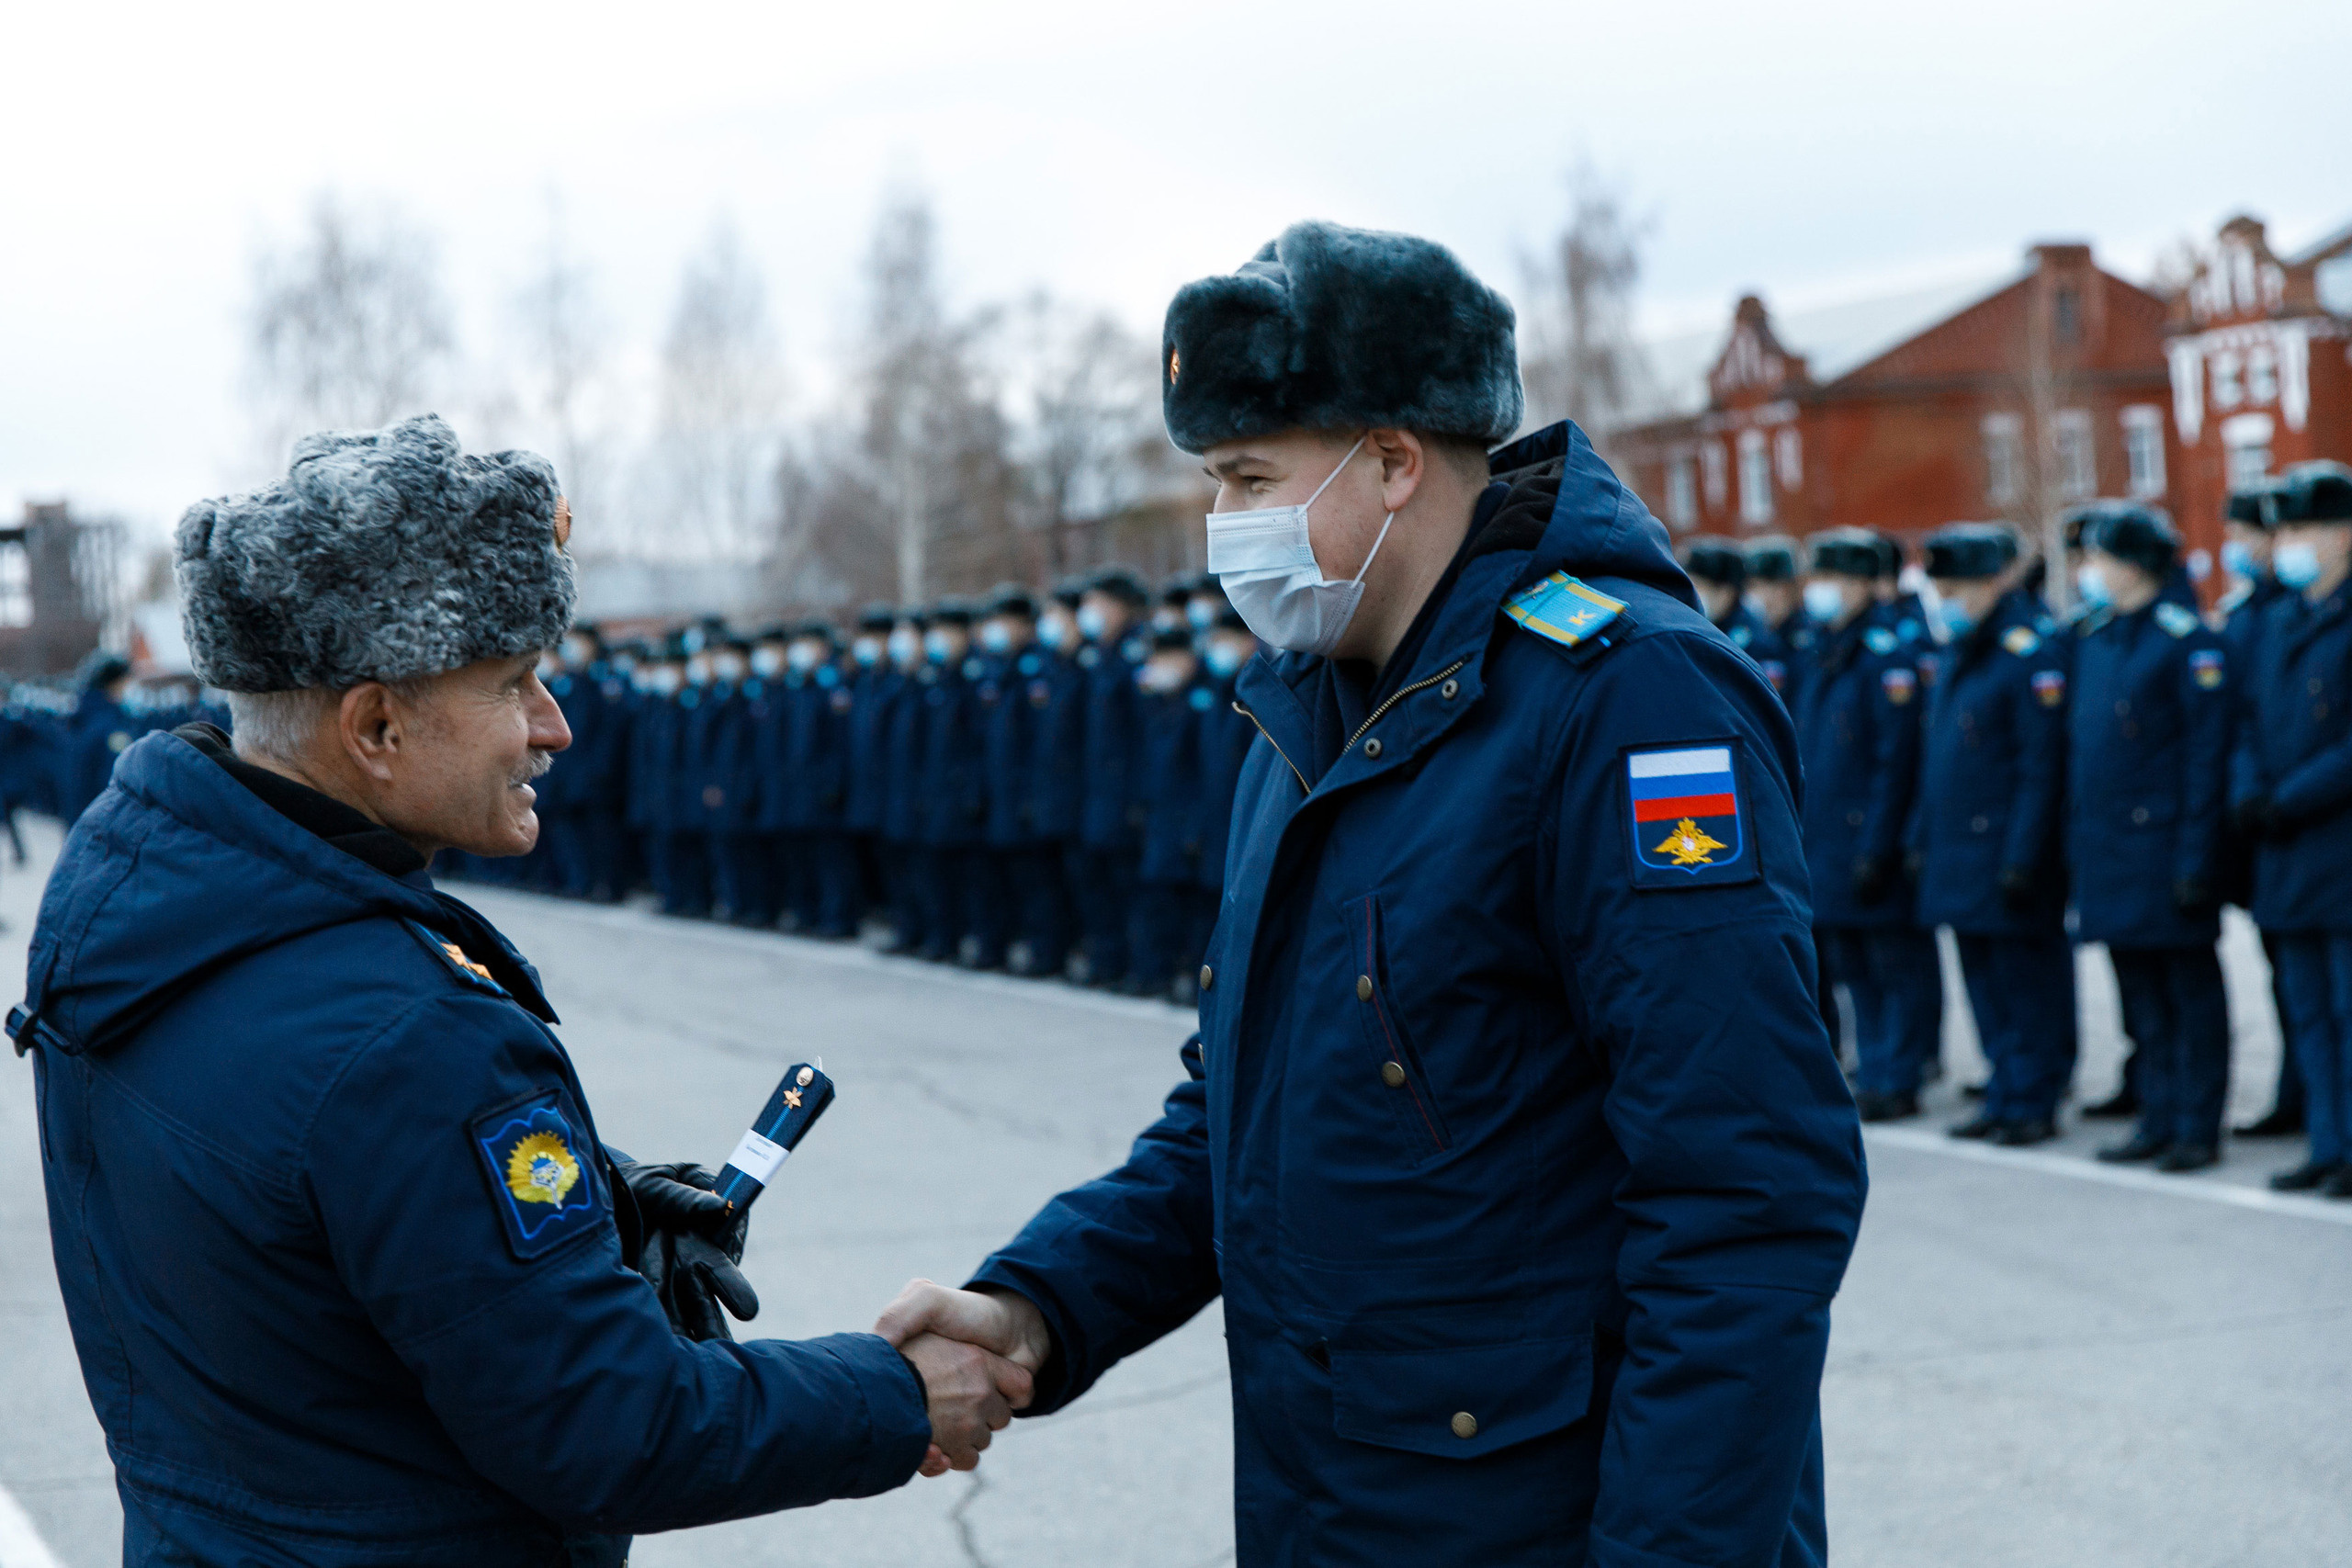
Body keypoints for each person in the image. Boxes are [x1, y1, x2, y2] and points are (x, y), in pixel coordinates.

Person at [875, 221, 1863, 1566]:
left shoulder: (1626, 700)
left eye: (1249, 477)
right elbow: (1245, 1111)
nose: (1225, 526)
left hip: (1547, 1522)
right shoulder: (1313, 708)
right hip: (1345, 1509)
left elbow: (1745, 1194)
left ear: (1393, 461)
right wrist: (1041, 1305)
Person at [13, 416, 1029, 1566]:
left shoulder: (147, 907)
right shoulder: (410, 1033)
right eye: (512, 683)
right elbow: (609, 1429)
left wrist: (597, 1202)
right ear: (377, 725)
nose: (555, 725)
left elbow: (291, 1210)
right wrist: (895, 1395)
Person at [2067, 503, 2233, 1172]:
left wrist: (2197, 858)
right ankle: (2158, 1116)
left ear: (2133, 565)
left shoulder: (2182, 639)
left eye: (2101, 557)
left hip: (2165, 852)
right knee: (2142, 999)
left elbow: (2204, 760)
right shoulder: (2100, 637)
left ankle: (2196, 1125)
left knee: (2187, 1000)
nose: (2090, 571)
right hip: (2112, 855)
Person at [1914, 523, 2075, 1145]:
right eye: (1940, 588)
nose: (1945, 600)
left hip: (2007, 852)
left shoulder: (2025, 649)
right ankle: (2004, 1090)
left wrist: (2023, 856)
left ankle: (2032, 1097)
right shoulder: (1961, 650)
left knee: (2023, 987)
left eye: (1956, 588)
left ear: (1992, 582)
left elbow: (2040, 767)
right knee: (1984, 984)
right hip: (1959, 852)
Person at [2230, 461, 2352, 1195]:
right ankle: (2327, 1142)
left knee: (2347, 1006)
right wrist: (2249, 790)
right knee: (2305, 1007)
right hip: (2284, 846)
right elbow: (2247, 716)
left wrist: (2290, 796)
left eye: (2304, 528)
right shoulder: (2279, 618)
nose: (2290, 544)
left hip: (2336, 842)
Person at [1794, 528, 1928, 1120]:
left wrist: (1879, 847)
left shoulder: (1884, 656)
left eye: (1838, 580)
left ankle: (1896, 1074)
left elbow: (1893, 764)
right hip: (1827, 842)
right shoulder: (1824, 650)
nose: (1824, 592)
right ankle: (1873, 1068)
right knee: (1851, 968)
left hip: (1870, 843)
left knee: (1891, 967)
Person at [2216, 481, 2304, 1138]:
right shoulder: (2251, 614)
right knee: (2285, 974)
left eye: (2254, 537)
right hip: (2257, 817)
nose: (2242, 550)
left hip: (2301, 815)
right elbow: (2241, 717)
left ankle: (2315, 1100)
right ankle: (2296, 1091)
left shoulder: (2296, 612)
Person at [1070, 567, 1148, 987]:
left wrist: (1138, 799)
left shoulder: (1135, 654)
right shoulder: (1098, 654)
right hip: (1097, 795)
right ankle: (1106, 961)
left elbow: (1142, 737)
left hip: (1123, 796)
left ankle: (1135, 966)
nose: (1089, 612)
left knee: (1128, 885)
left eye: (1097, 603)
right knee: (1097, 883)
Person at [58, 651, 137, 823]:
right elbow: (115, 780)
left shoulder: (82, 717)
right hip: (105, 822)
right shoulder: (110, 725)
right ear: (113, 684)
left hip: (82, 819)